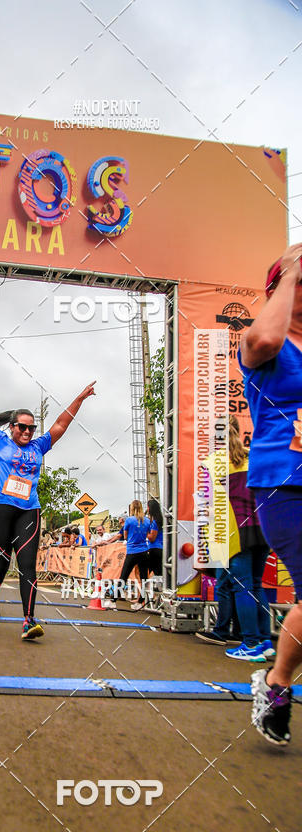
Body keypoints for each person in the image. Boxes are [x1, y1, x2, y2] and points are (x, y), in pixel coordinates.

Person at [0, 365, 95, 640]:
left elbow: (61, 423)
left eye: (31, 427)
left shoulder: (38, 447)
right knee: (1, 561)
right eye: (22, 427)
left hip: (29, 511)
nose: (27, 431)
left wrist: (80, 399)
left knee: (27, 565)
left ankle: (28, 620)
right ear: (12, 427)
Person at [239, 242, 302, 744]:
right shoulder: (270, 347)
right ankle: (277, 681)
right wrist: (289, 273)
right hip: (284, 482)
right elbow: (262, 337)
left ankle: (278, 682)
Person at [195, 418, 271, 656]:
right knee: (256, 586)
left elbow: (208, 505)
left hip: (234, 531)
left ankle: (250, 644)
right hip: (263, 528)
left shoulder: (211, 463)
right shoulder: (254, 455)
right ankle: (264, 641)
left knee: (242, 587)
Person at [118, 500, 150, 611]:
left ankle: (114, 598)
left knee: (124, 575)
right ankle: (142, 600)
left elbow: (125, 535)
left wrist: (131, 538)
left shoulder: (129, 520)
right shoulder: (146, 521)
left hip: (132, 550)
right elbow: (147, 534)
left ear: (132, 508)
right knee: (143, 576)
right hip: (144, 550)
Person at [146, 498, 163, 578]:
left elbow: (152, 538)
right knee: (157, 571)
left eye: (148, 507)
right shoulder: (158, 520)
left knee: (155, 571)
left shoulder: (155, 522)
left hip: (155, 549)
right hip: (158, 548)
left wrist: (145, 531)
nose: (147, 509)